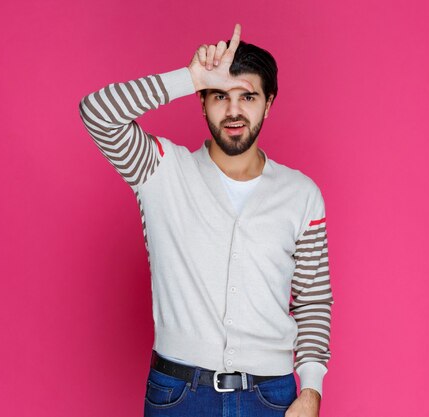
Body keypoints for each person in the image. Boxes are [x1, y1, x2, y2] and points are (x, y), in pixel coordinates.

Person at [78, 23, 333, 417]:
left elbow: (312, 299)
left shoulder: (301, 195)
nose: (233, 111)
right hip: (179, 395)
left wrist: (312, 389)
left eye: (248, 96)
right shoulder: (160, 171)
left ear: (268, 103)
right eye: (219, 96)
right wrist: (190, 77)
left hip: (273, 397)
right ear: (201, 102)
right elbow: (97, 112)